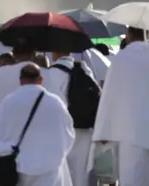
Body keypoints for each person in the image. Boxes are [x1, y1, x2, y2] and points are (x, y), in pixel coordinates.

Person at [0, 64, 74, 186]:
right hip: (48, 167)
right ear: (41, 80)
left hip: (17, 167)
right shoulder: (56, 103)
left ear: (20, 80)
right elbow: (68, 134)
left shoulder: (9, 101)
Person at [93, 26, 149, 186]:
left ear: (129, 34)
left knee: (132, 179)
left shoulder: (121, 59)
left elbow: (109, 96)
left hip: (129, 133)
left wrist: (104, 131)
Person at [46, 49, 99, 186]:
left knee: (63, 174)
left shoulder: (52, 73)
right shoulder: (85, 70)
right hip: (85, 129)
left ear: (55, 53)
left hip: (62, 131)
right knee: (81, 174)